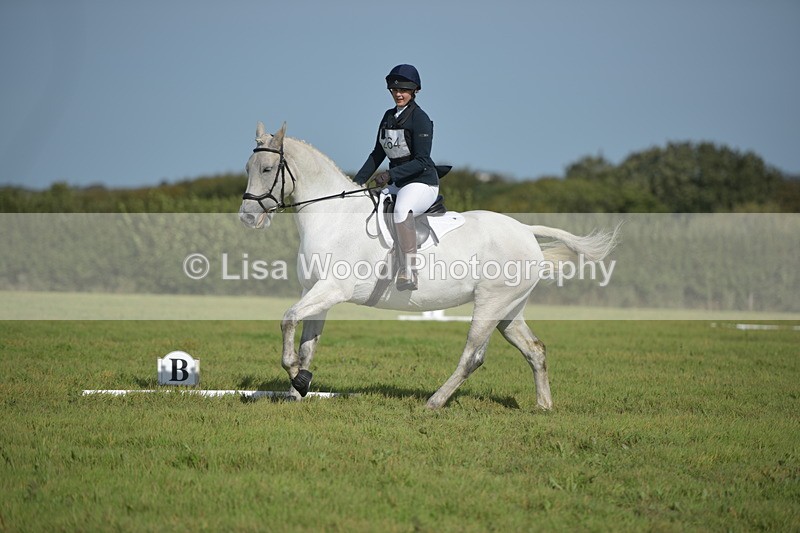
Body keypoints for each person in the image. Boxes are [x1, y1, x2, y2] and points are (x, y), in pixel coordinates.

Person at [354, 64, 441, 291]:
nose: (398, 94)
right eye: (394, 90)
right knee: (366, 203)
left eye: (403, 90)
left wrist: (390, 174)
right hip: (398, 183)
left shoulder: (420, 119)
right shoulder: (388, 116)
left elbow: (422, 160)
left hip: (422, 183)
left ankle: (409, 270)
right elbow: (377, 154)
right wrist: (356, 183)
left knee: (401, 210)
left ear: (414, 91)